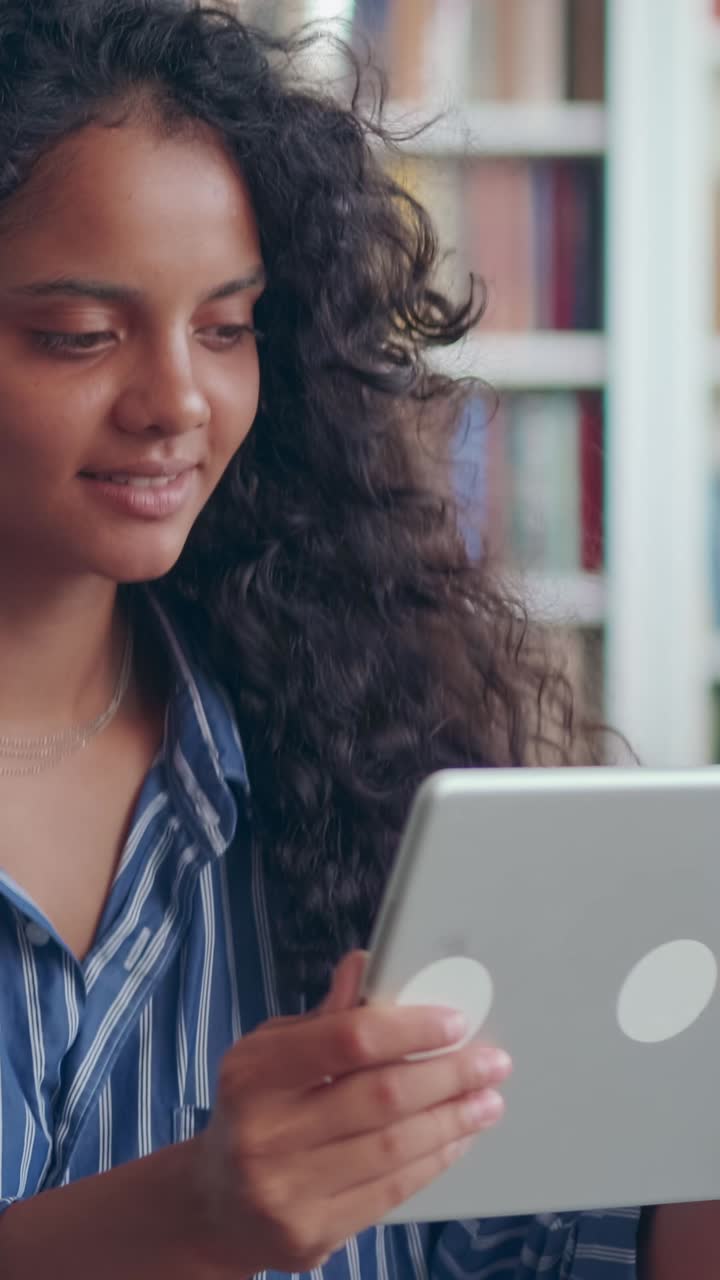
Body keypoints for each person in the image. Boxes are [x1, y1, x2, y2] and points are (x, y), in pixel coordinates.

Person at [0, 0, 707, 1275]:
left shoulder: (336, 741)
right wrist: (191, 1211)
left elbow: (524, 1238)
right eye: (79, 336)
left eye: (229, 328)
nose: (177, 401)